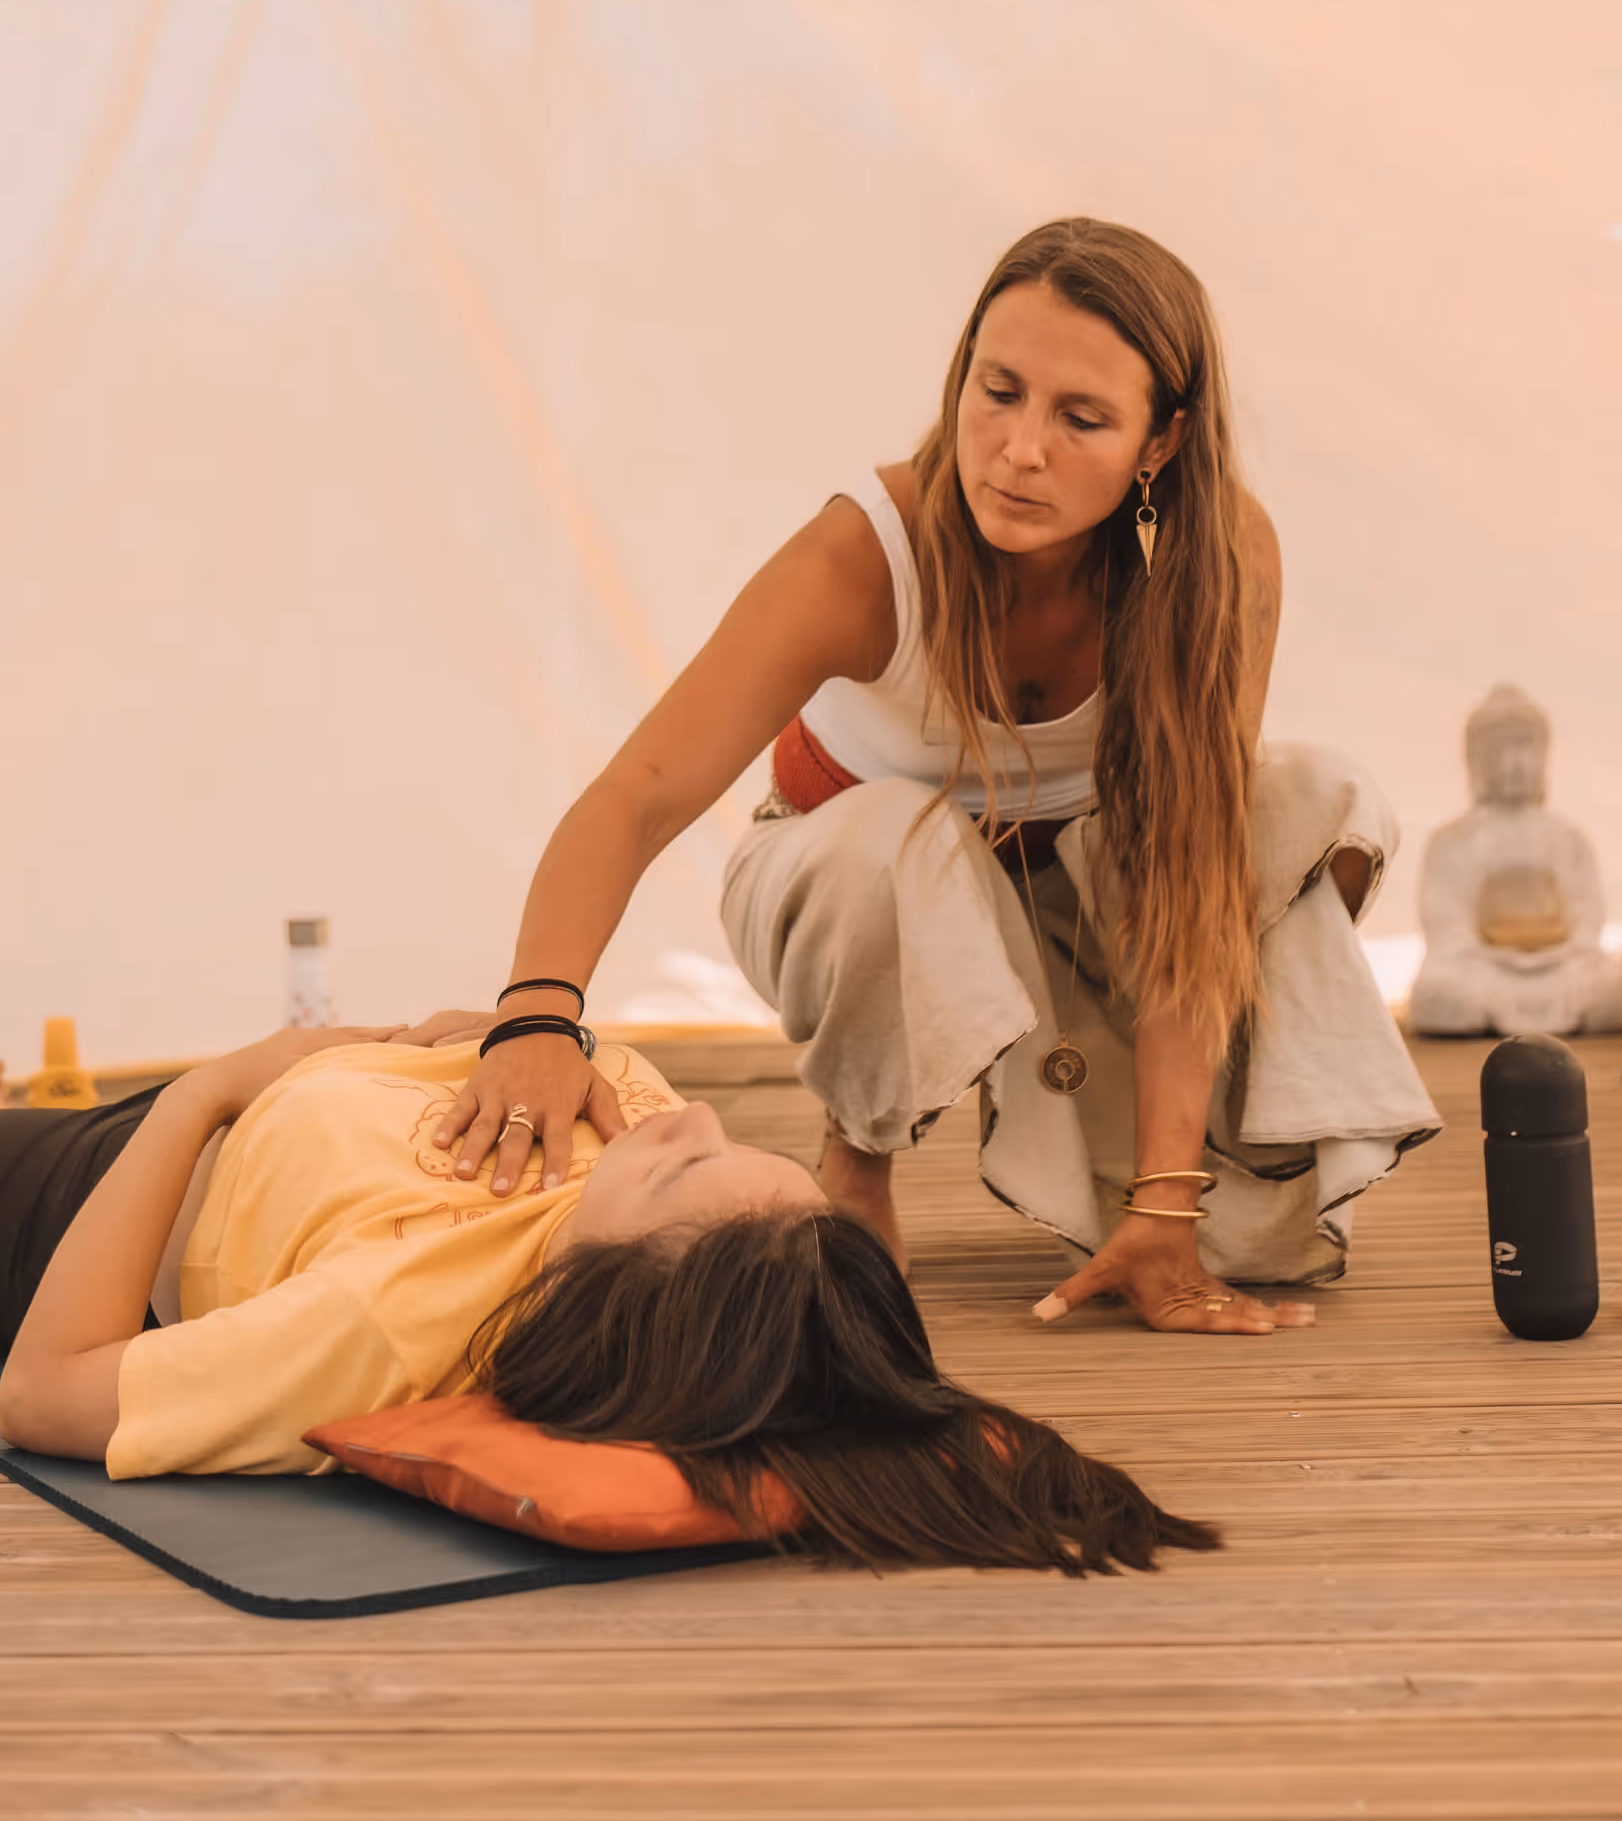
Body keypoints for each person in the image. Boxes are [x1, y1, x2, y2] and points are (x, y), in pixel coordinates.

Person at [440, 217, 1439, 1334]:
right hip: (846, 881)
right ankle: (856, 1153)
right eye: (997, 390)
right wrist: (532, 1021)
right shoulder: (858, 555)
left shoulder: (1219, 558)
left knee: (1300, 794)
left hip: (1078, 900)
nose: (1018, 450)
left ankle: (1171, 1155)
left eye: (1081, 419)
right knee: (894, 837)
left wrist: (1166, 1199)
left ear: (1158, 444)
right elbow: (639, 794)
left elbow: (1184, 871)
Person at [0, 1012, 1216, 1575]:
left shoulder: (379, 1328)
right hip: (250, 1122)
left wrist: (204, 1096)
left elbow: (45, 1395)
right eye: (735, 1143)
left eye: (679, 1167)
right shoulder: (642, 1141)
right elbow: (545, 1060)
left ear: (612, 1284)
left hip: (124, 1194)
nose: (694, 1121)